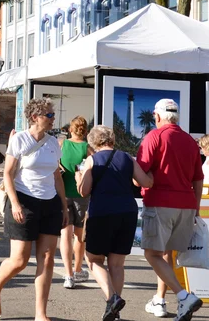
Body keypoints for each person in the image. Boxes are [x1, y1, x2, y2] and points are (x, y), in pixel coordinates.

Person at [0, 98, 68, 320]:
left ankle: (41, 313)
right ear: (35, 117)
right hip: (24, 200)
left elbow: (56, 175)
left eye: (52, 115)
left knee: (48, 258)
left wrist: (64, 204)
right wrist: (14, 203)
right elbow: (9, 174)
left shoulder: (53, 143)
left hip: (50, 203)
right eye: (49, 115)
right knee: (20, 261)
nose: (53, 119)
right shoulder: (20, 140)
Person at [76, 125, 153, 321]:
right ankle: (114, 312)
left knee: (93, 260)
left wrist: (79, 177)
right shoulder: (127, 157)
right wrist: (153, 173)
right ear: (112, 139)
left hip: (102, 213)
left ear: (93, 142)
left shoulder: (92, 160)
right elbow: (145, 182)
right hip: (127, 212)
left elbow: (84, 191)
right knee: (117, 264)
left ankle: (112, 299)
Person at [136, 99, 204, 320]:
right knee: (167, 254)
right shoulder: (190, 142)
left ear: (157, 117)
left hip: (160, 203)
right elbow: (197, 179)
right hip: (185, 206)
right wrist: (194, 208)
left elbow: (140, 177)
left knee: (152, 253)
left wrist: (142, 179)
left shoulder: (154, 137)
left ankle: (183, 296)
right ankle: (160, 300)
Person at [59, 116, 94, 289]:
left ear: (70, 129)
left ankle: (68, 275)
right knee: (79, 236)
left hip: (63, 193)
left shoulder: (61, 144)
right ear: (85, 131)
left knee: (65, 234)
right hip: (82, 195)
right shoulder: (87, 148)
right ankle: (78, 269)